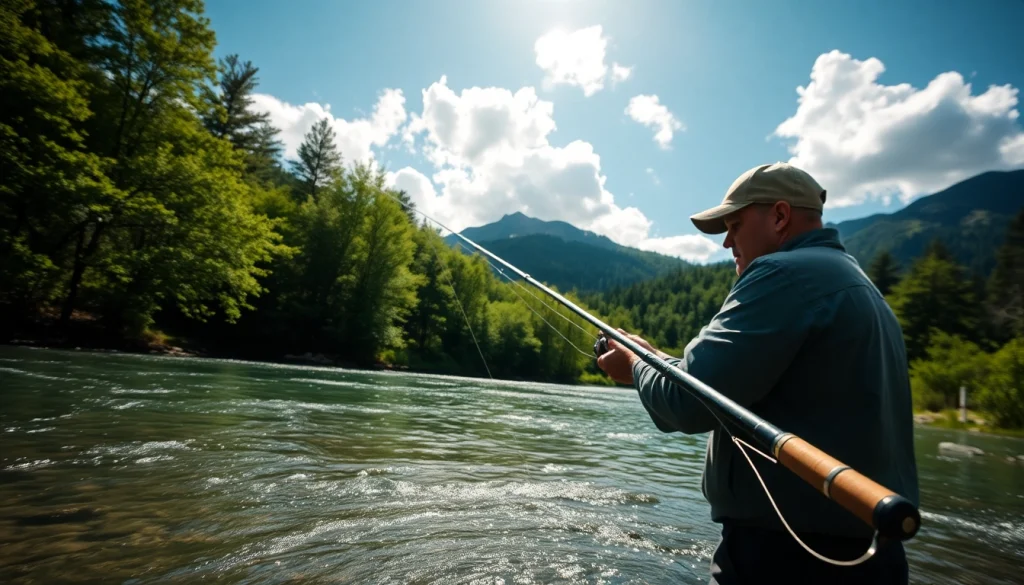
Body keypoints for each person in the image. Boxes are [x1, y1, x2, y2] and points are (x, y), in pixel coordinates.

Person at [595, 162, 919, 585]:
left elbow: (686, 403)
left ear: (780, 217)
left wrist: (635, 365)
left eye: (734, 224)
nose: (728, 241)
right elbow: (721, 383)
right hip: (868, 557)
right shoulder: (854, 283)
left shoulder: (784, 274)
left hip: (788, 559)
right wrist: (655, 357)